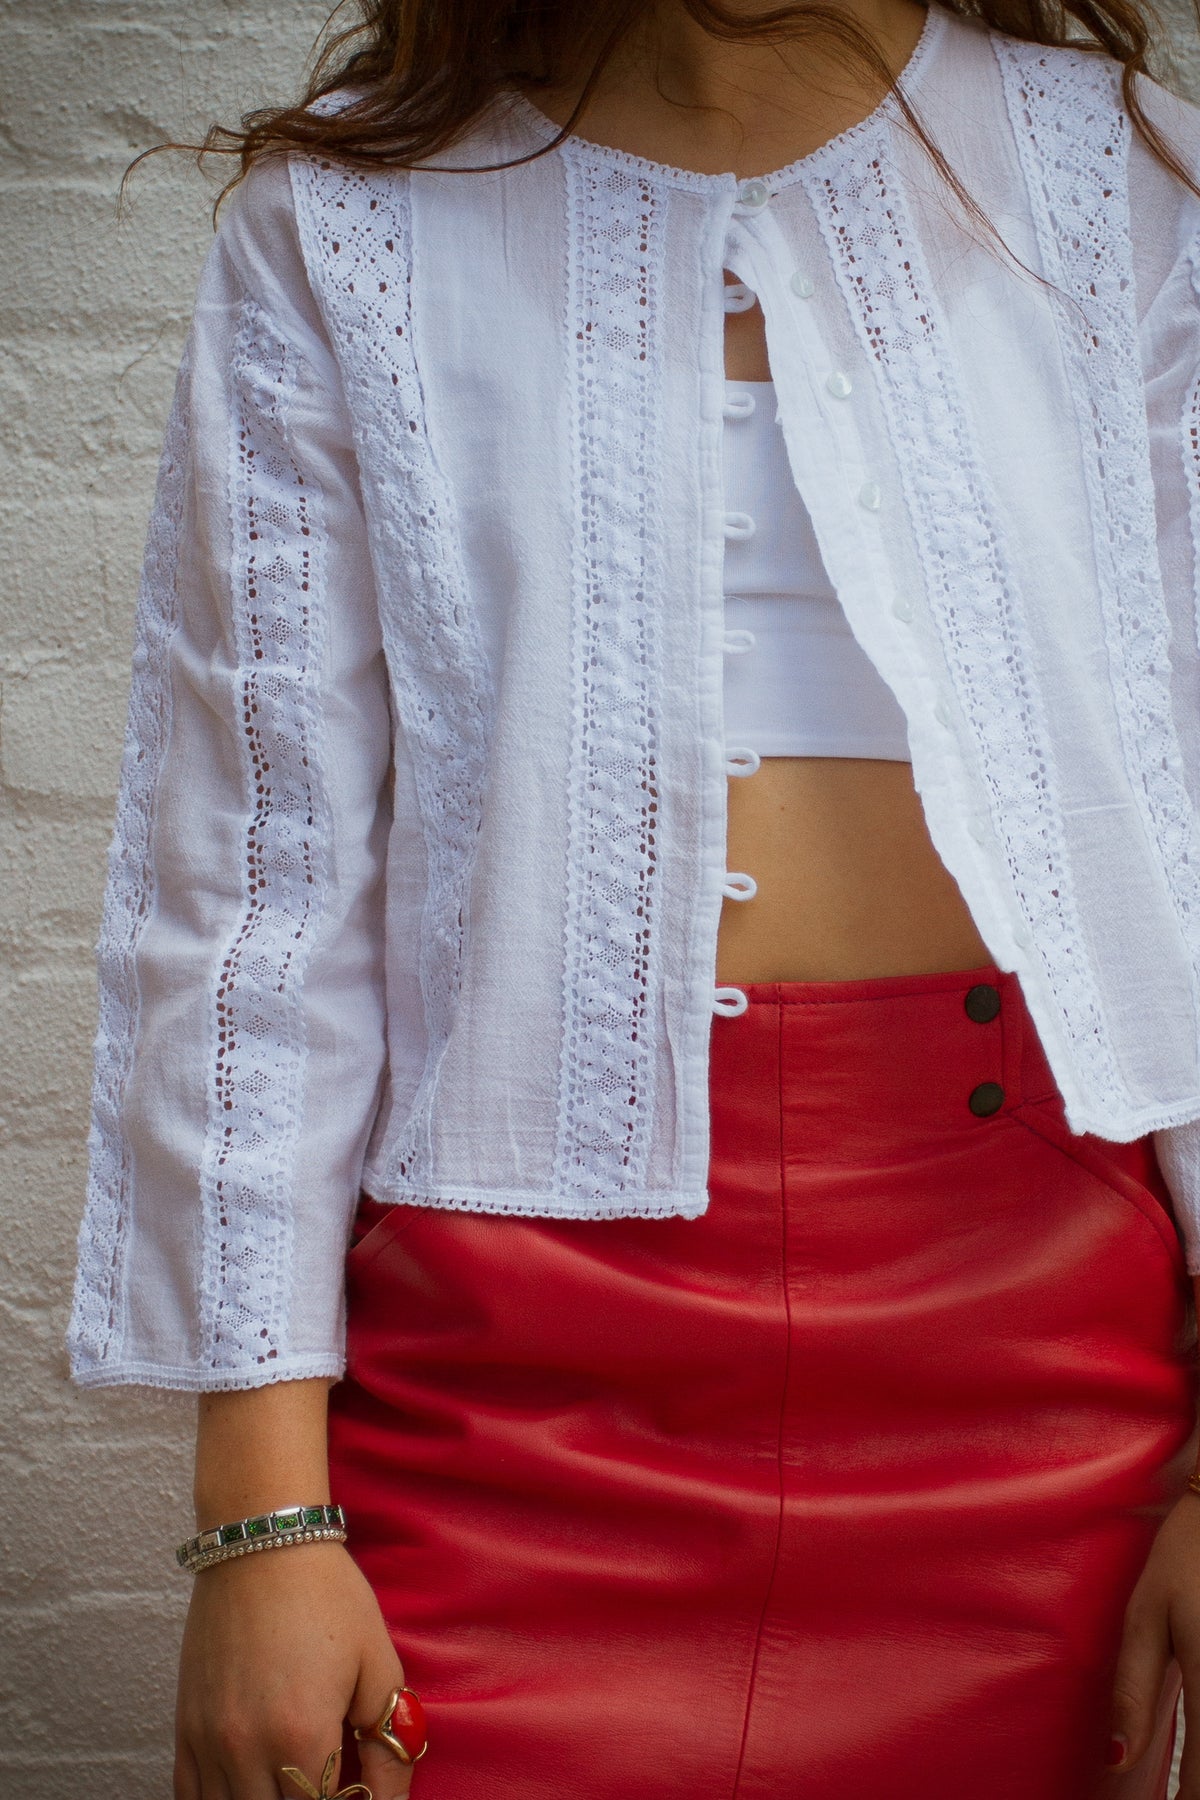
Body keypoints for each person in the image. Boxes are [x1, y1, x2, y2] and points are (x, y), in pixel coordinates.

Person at [68, 0, 1200, 1793]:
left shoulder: (1122, 178)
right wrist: (262, 1525)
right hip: (508, 1373)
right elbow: (256, 889)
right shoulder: (346, 222)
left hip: (1047, 1358)